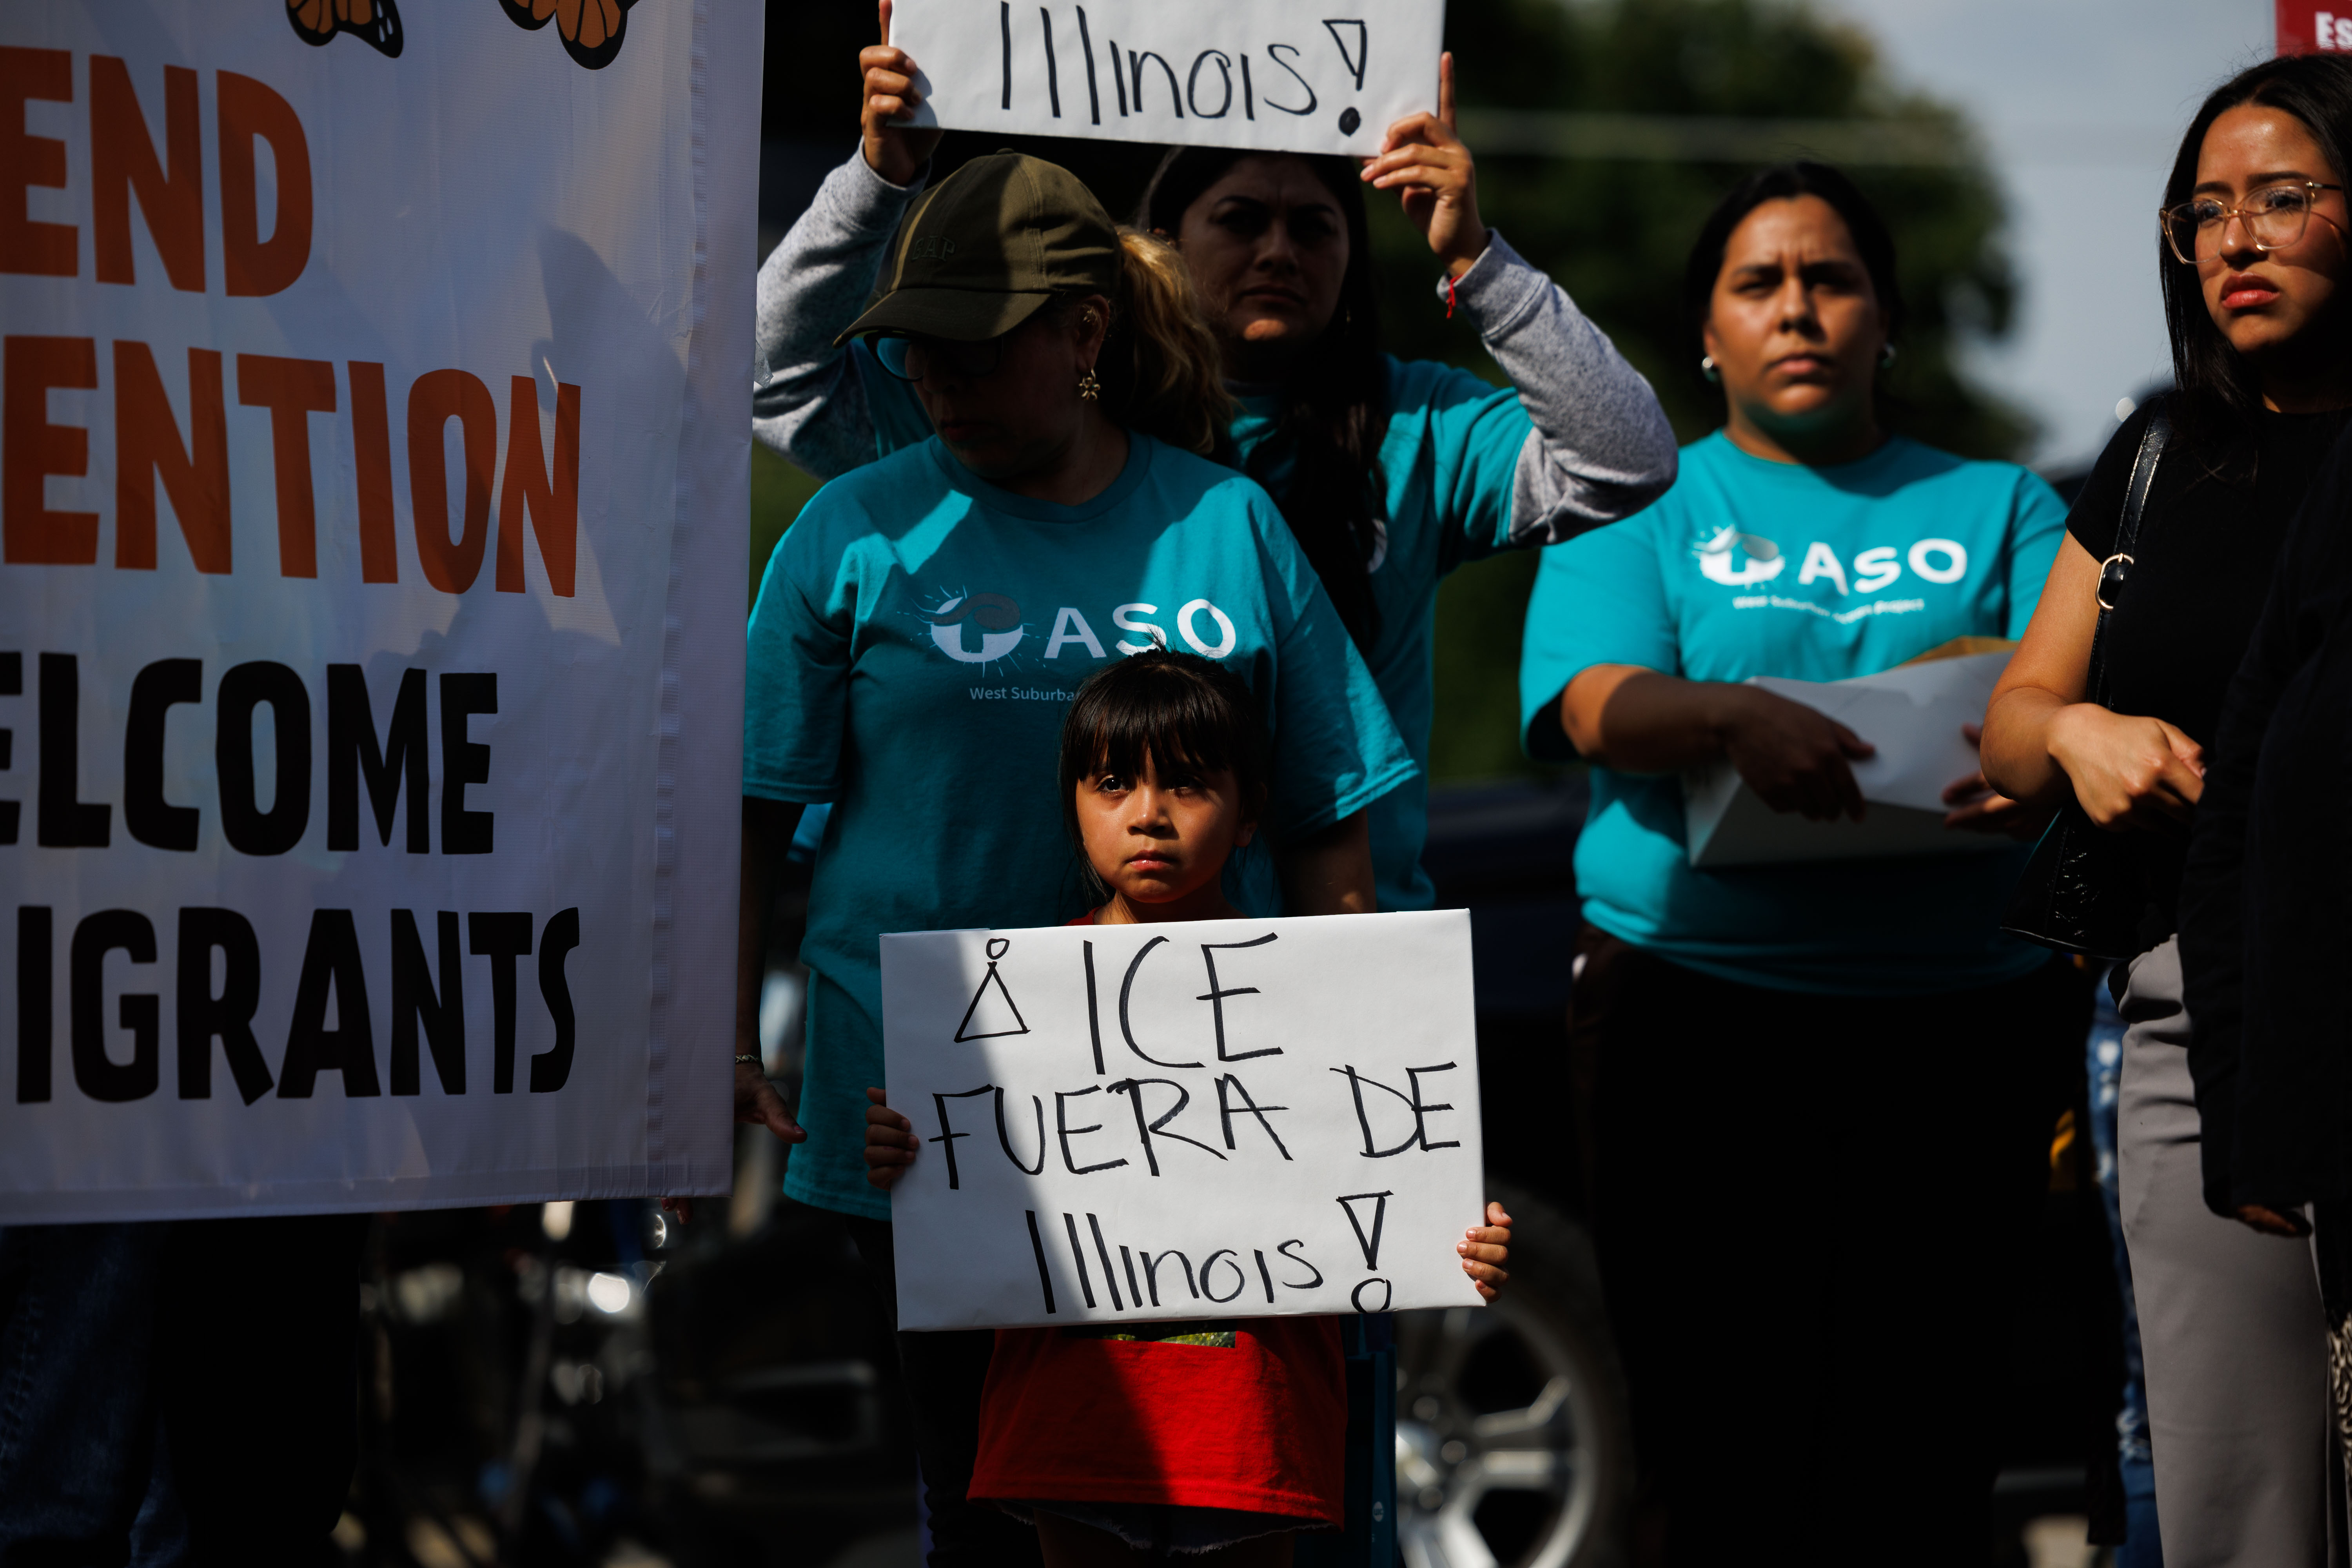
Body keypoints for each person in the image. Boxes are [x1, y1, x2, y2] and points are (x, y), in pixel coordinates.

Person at [732, 147, 1416, 1567]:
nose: (941, 385)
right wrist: (711, 1041)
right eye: (917, 354)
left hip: (1205, 1138)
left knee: (1210, 1520)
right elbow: (744, 815)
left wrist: (1358, 1107)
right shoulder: (849, 532)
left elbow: (1327, 817)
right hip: (925, 1133)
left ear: (1085, 334)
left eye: (978, 350)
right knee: (986, 1517)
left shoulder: (1227, 527)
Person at [755, 1, 1679, 915]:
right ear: (1162, 242)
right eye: (1241, 219)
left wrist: (1475, 256)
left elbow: (1626, 457)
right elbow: (767, 379)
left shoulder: (1420, 428)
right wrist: (878, 179)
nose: (1280, 250)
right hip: (1028, 975)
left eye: (1316, 227)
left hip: (1332, 955)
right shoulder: (1013, 401)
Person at [1516, 161, 2080, 1563]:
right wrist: (1722, 716)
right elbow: (1589, 701)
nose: (1799, 309)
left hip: (1959, 1031)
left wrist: (2042, 764)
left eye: (1832, 279)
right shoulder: (1645, 497)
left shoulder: (2006, 506)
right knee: (1715, 1454)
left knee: (1926, 1447)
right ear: (1706, 333)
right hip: (1693, 1026)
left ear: (1887, 317)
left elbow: (2074, 697)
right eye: (1759, 284)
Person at [859, 650, 1512, 1566]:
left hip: (1248, 1429)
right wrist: (908, 1153)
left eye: (1191, 784)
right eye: (1114, 782)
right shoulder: (997, 1008)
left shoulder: (1327, 999)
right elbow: (965, 1188)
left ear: (1251, 815)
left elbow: (1386, 1174)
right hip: (1072, 1426)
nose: (1149, 814)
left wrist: (1453, 1233)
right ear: (1075, 806)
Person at [1982, 53, 2352, 1563]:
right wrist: (2079, 733)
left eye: (2282, 198)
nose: (2235, 242)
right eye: (2203, 213)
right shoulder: (2152, 456)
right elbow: (2008, 723)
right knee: (2232, 1500)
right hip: (2193, 1023)